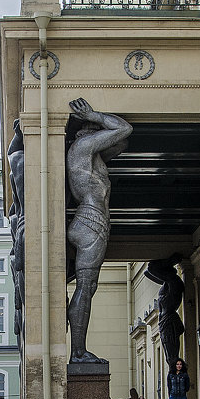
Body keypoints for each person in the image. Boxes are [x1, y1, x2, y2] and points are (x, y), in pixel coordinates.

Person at [65, 98, 133, 363]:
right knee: (86, 287)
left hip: (90, 221)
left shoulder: (90, 156)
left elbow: (121, 142)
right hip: (91, 222)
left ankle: (78, 350)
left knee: (87, 287)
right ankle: (78, 352)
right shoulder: (84, 145)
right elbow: (124, 129)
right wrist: (96, 114)